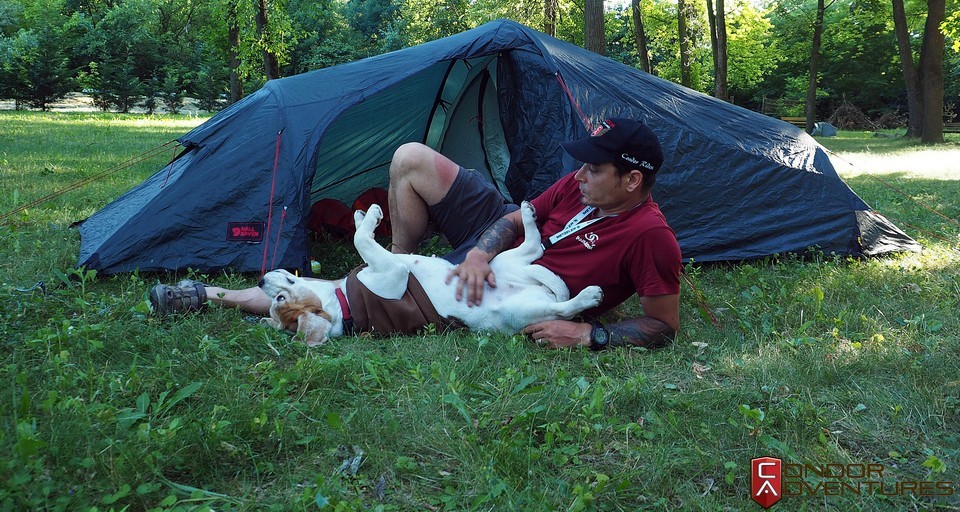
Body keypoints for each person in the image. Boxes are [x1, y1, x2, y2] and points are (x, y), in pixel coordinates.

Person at [150, 117, 682, 350]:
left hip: (518, 290)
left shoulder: (649, 237)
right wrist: (479, 253)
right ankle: (396, 263)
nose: (579, 175)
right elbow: (514, 218)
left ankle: (210, 295)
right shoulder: (580, 186)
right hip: (499, 257)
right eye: (582, 166)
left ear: (632, 181)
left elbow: (663, 325)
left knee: (339, 292)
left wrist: (592, 335)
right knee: (410, 157)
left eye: (594, 169)